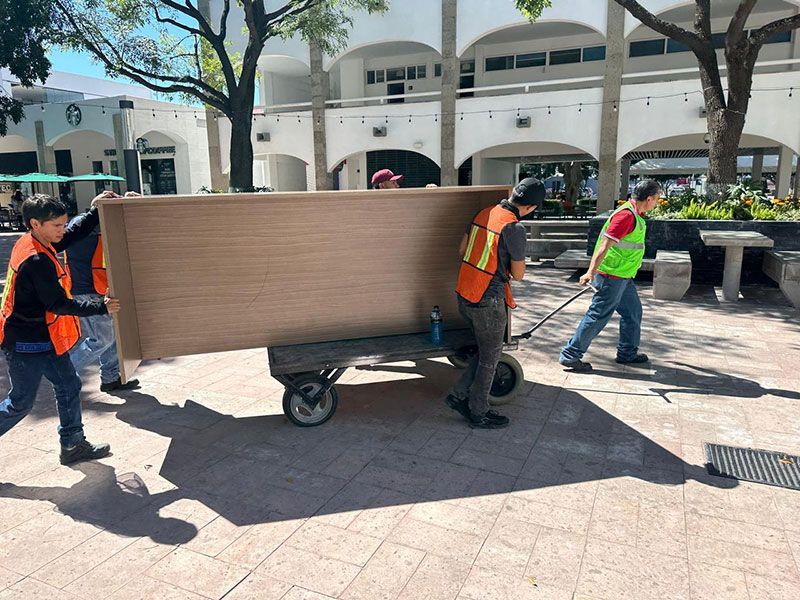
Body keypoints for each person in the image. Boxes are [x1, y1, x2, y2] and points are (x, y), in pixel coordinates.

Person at [0, 191, 121, 465]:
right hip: (25, 342)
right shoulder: (36, 259)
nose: (62, 230)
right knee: (20, 403)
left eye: (64, 223)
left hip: (43, 337)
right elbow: (58, 303)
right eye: (56, 226)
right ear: (35, 224)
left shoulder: (38, 241)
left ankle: (72, 443)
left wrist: (94, 210)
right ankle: (72, 441)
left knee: (69, 384)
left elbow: (71, 236)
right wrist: (102, 307)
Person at [445, 177, 543, 429]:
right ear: (531, 208)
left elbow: (461, 249)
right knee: (490, 358)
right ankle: (478, 412)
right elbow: (519, 275)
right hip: (487, 301)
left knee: (485, 351)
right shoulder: (514, 228)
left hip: (464, 293)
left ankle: (458, 396)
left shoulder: (485, 212)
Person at [558, 180, 662, 372]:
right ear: (649, 199)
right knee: (598, 316)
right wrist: (590, 272)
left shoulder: (635, 214)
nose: (656, 203)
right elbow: (604, 245)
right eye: (656, 199)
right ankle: (570, 355)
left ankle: (627, 353)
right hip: (611, 277)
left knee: (633, 313)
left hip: (623, 276)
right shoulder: (625, 216)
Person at [66, 191, 141, 393]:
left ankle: (110, 378)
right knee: (101, 339)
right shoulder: (83, 224)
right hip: (87, 291)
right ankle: (62, 371)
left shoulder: (102, 224)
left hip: (100, 289)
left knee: (114, 336)